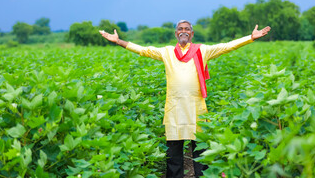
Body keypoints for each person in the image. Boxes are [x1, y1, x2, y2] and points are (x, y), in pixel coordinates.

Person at [99, 20, 271, 178]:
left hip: (196, 108)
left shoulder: (202, 51)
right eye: (180, 29)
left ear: (192, 34)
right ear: (176, 34)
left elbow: (226, 46)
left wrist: (250, 38)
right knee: (173, 153)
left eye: (187, 29)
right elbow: (144, 50)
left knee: (200, 152)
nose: (183, 31)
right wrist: (118, 41)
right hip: (174, 109)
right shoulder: (167, 52)